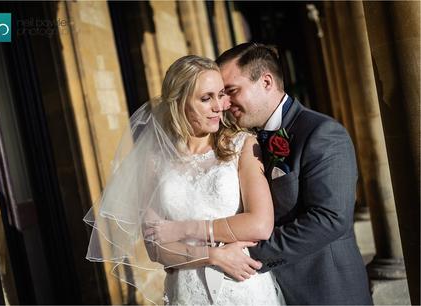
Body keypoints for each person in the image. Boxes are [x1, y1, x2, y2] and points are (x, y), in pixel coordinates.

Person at [84, 55, 285, 305]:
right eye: (205, 98)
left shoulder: (242, 145)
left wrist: (184, 233)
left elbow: (259, 223)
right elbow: (156, 247)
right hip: (187, 293)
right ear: (179, 102)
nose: (219, 106)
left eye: (220, 94)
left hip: (241, 288)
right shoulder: (154, 161)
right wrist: (214, 255)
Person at [213, 42, 372, 305]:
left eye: (231, 91)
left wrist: (248, 253)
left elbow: (329, 219)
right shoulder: (241, 141)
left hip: (326, 293)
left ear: (266, 82)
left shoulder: (322, 133)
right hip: (266, 293)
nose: (225, 103)